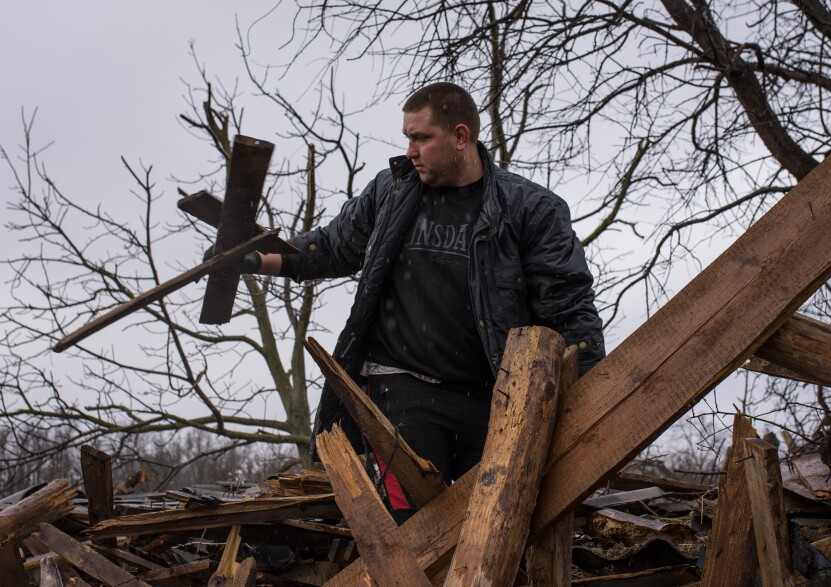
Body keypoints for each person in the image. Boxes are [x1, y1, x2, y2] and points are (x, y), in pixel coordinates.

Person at [248, 82, 604, 522]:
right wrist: (262, 259)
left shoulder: (530, 209)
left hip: (493, 394)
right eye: (407, 138)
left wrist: (589, 402)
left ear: (460, 136)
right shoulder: (392, 192)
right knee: (408, 529)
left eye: (421, 138)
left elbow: (569, 309)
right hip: (400, 388)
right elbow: (334, 247)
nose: (410, 150)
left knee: (497, 526)